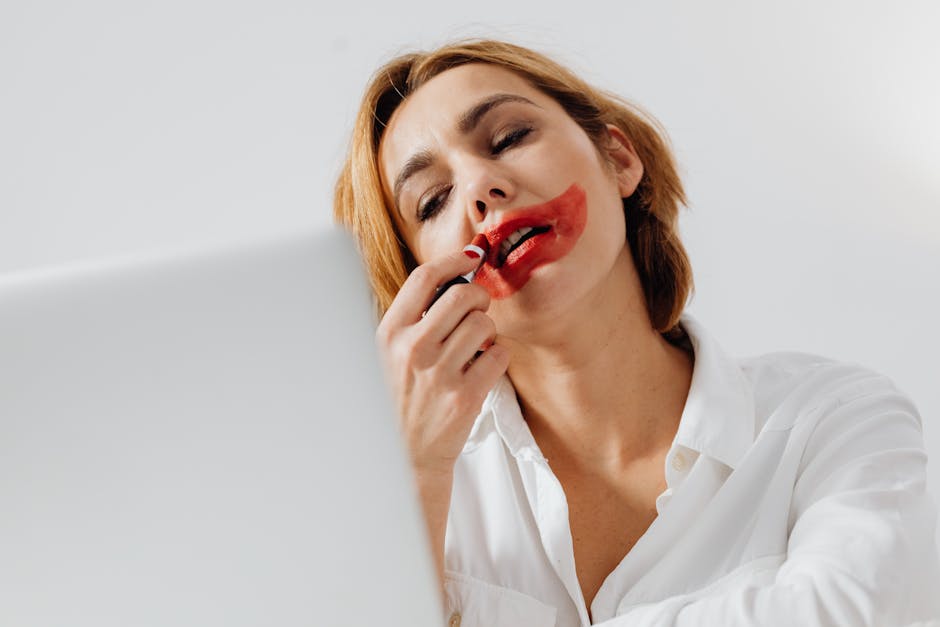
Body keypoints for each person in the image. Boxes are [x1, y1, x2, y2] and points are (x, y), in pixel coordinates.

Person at [333, 39, 940, 626]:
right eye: (433, 199)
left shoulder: (831, 418)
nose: (479, 188)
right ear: (423, 282)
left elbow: (858, 612)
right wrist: (416, 475)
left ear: (618, 159)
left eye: (510, 137)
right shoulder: (416, 495)